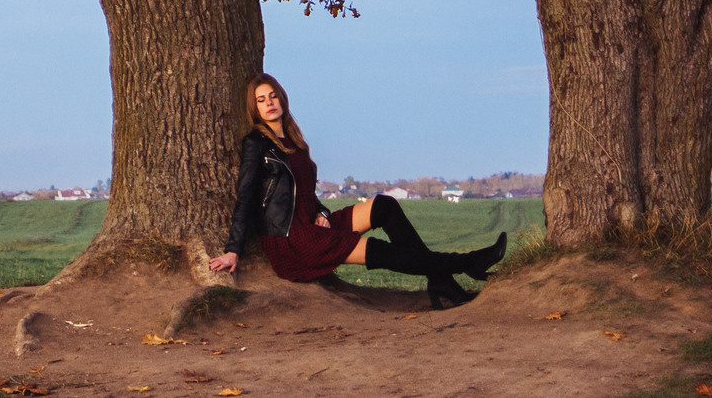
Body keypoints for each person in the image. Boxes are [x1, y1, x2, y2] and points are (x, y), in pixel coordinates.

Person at [208, 72, 506, 310]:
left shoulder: (295, 143)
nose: (269, 102)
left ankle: (442, 282)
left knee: (384, 206)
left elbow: (305, 195)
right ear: (255, 108)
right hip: (292, 241)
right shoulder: (256, 144)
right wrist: (233, 249)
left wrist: (323, 212)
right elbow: (246, 196)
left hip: (312, 225)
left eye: (273, 96)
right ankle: (469, 263)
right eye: (261, 100)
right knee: (384, 252)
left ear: (282, 100)